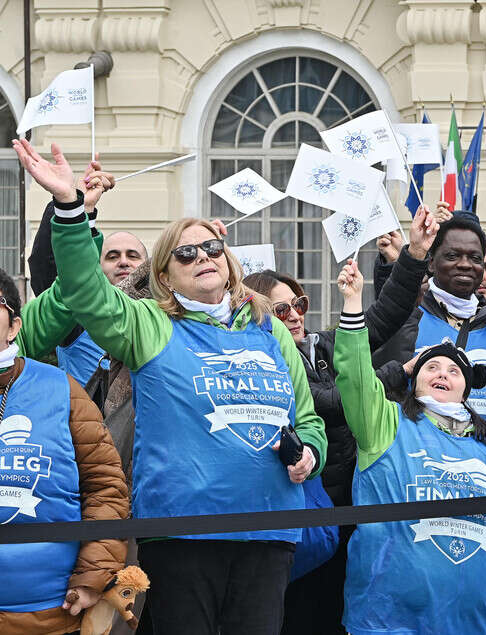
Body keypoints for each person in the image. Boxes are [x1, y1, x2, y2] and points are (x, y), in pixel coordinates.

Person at [17, 138, 328, 634]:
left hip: (270, 531)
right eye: (186, 252)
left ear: (227, 261)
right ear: (164, 274)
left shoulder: (268, 329)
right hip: (181, 534)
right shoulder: (149, 324)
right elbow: (84, 291)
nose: (203, 256)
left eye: (212, 248)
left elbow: (308, 420)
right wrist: (72, 210)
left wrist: (310, 452)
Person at [243, 208, 436, 635]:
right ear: (256, 313)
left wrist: (415, 254)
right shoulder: (260, 361)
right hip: (299, 509)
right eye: (280, 309)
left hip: (347, 504)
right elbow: (333, 401)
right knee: (292, 614)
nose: (294, 314)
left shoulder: (324, 345)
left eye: (299, 303)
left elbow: (383, 318)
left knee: (334, 611)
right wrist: (398, 373)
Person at [332, 260, 486, 635]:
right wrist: (353, 302)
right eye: (431, 367)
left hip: (467, 620)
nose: (442, 374)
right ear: (413, 382)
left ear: (466, 389)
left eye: (454, 371)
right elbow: (355, 378)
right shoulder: (385, 423)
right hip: (386, 619)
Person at [0, 267, 130, 635]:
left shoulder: (62, 390)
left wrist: (92, 576)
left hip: (49, 612)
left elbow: (105, 488)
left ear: (14, 326)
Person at [368, 215, 486, 426]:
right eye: (452, 255)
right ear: (431, 262)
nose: (465, 265)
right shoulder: (404, 323)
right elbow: (374, 395)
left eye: (476, 259)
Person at [27, 156, 143, 385]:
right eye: (112, 256)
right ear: (96, 267)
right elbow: (48, 268)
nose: (123, 262)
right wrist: (70, 203)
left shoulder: (159, 317)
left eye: (133, 255)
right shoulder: (79, 314)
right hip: (86, 419)